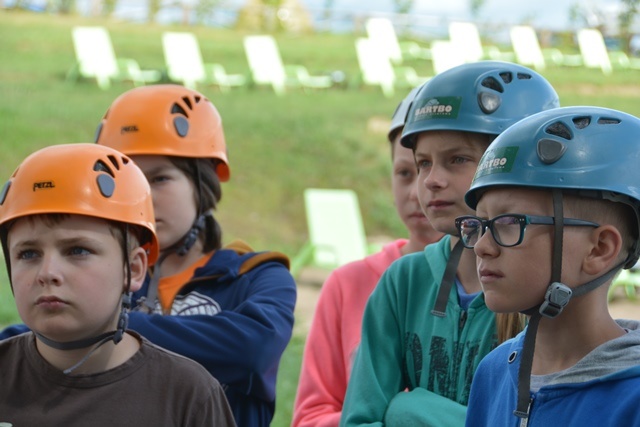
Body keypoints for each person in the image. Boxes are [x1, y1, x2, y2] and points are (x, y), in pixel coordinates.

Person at [0, 85, 297, 427]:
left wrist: (111, 325)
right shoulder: (104, 273)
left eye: (159, 178)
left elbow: (251, 349)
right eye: (130, 180)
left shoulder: (256, 275)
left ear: (203, 185)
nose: (143, 196)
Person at [339, 61, 560, 426]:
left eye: (457, 159)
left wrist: (410, 410)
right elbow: (359, 420)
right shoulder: (403, 282)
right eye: (423, 163)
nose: (431, 180)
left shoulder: (545, 291)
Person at [0, 143, 236, 426]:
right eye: (28, 254)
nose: (48, 272)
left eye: (77, 250)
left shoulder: (188, 396)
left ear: (133, 270)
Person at [459, 106, 640, 426]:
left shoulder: (632, 398)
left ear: (599, 249)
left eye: (509, 222)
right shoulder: (493, 372)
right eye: (480, 224)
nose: (482, 247)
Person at [292, 87, 445, 427]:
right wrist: (385, 417)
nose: (419, 190)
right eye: (406, 172)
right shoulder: (347, 284)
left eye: (444, 165)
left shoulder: (497, 289)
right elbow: (310, 416)